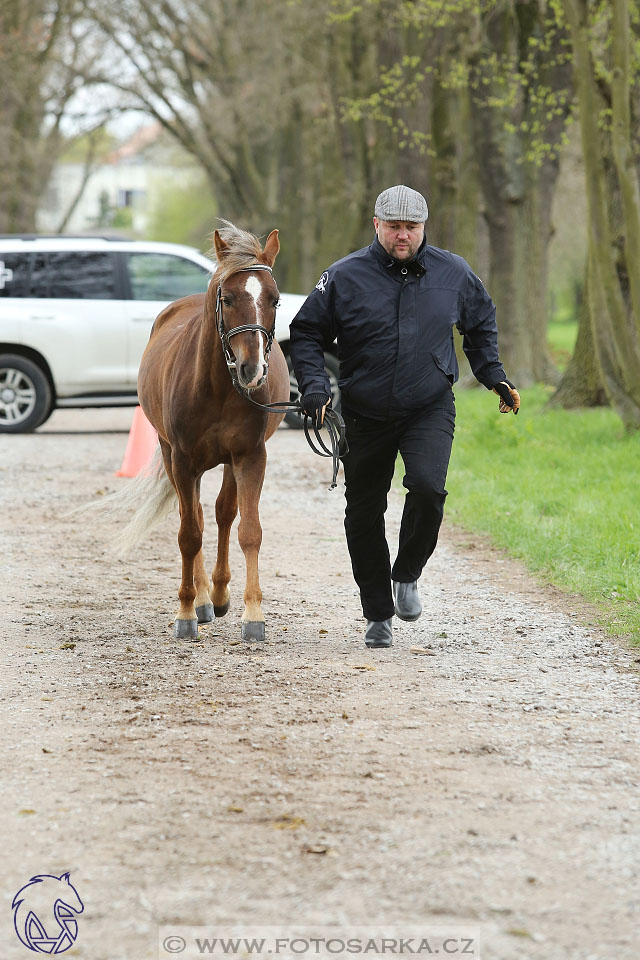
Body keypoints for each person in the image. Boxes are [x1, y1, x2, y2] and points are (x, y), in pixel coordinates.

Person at [289, 185, 520, 649]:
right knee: (364, 512)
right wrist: (316, 388)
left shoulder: (454, 273)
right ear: (376, 224)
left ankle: (407, 574)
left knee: (429, 489)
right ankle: (377, 612)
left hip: (428, 406)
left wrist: (493, 375)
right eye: (393, 226)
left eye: (411, 227)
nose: (402, 236)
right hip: (364, 412)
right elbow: (306, 333)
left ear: (423, 227)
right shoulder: (343, 276)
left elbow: (479, 323)